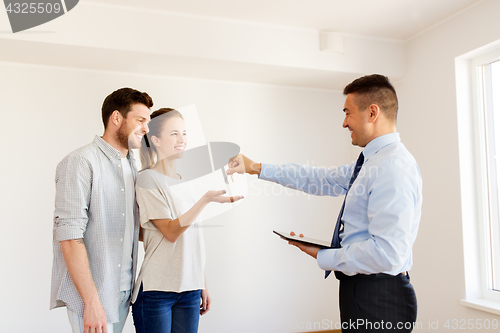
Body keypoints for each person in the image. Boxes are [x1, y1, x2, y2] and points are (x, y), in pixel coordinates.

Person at [227, 74, 422, 332]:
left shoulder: (393, 167)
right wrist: (256, 168)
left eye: (348, 113)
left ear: (372, 112)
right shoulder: (371, 163)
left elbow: (388, 255)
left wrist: (325, 255)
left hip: (379, 296)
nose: (344, 123)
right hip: (361, 289)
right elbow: (319, 178)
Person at [50, 87, 153, 333]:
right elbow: (69, 237)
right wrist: (91, 302)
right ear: (116, 118)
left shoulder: (132, 166)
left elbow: (131, 229)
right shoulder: (81, 162)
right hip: (94, 293)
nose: (147, 129)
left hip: (125, 290)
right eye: (140, 120)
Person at [131, 108, 243, 333]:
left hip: (190, 288)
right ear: (155, 140)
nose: (182, 139)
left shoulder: (184, 182)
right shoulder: (147, 179)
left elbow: (191, 239)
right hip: (157, 290)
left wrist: (200, 281)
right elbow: (171, 233)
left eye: (184, 133)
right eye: (174, 133)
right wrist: (206, 200)